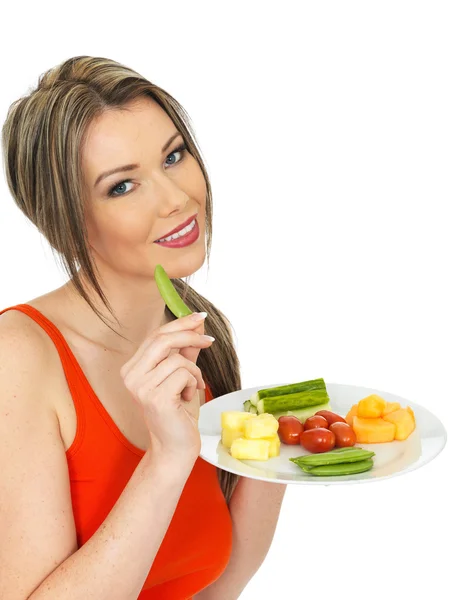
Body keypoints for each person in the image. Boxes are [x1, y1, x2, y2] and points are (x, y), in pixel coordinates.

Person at [0, 56, 287, 600]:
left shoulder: (195, 331)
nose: (176, 198)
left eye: (173, 156)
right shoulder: (17, 358)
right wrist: (166, 462)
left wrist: (271, 470)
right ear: (65, 221)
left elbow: (210, 590)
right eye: (122, 187)